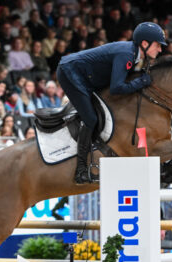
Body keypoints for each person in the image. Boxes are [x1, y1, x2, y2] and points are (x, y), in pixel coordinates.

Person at [56, 22, 161, 184]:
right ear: (145, 44)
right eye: (158, 45)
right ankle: (81, 170)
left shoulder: (132, 54)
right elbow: (116, 88)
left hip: (86, 76)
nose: (160, 49)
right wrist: (141, 82)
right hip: (70, 73)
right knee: (91, 119)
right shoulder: (127, 54)